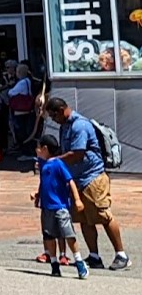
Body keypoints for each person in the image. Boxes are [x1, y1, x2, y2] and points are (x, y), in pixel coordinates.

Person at [45, 96, 129, 270]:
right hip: (78, 179)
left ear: (61, 111)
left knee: (103, 215)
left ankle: (121, 255)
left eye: (54, 116)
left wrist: (53, 161)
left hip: (93, 178)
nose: (54, 120)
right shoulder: (65, 126)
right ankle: (94, 256)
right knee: (85, 219)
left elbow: (77, 154)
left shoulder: (79, 125)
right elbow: (67, 151)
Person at [34, 134, 90, 279]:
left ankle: (79, 261)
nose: (37, 150)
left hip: (60, 207)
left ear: (45, 149)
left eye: (39, 148)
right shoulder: (43, 164)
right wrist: (38, 196)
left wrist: (77, 200)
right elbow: (43, 182)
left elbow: (70, 181)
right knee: (49, 235)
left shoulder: (58, 164)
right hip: (46, 208)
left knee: (68, 234)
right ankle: (54, 264)